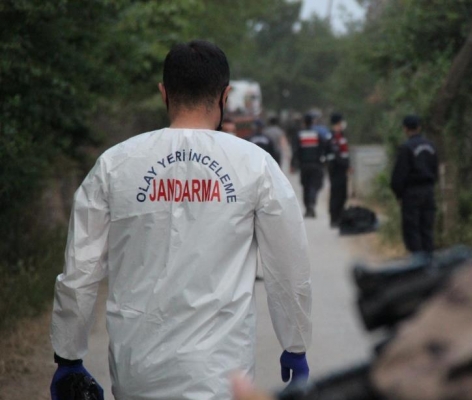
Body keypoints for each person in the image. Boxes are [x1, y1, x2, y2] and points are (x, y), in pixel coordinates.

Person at [50, 40, 312, 400]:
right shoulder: (255, 165)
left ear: (164, 93)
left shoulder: (115, 164)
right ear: (225, 95)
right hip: (222, 371)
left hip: (135, 369)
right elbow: (288, 265)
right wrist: (295, 344)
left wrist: (68, 356)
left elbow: (80, 270)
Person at [390, 115, 439, 258]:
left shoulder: (406, 148)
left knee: (412, 229)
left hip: (411, 193)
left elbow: (399, 175)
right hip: (428, 192)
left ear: (405, 129)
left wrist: (399, 194)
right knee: (427, 228)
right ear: (419, 127)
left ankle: (417, 262)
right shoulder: (431, 146)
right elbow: (435, 170)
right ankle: (430, 261)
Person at [291, 113, 329, 218]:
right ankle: (312, 205)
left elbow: (295, 150)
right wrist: (324, 161)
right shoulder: (317, 135)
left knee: (306, 186)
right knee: (314, 186)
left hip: (304, 165)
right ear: (312, 122)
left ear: (304, 122)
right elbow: (324, 148)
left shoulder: (299, 135)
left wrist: (293, 164)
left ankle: (308, 208)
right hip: (316, 164)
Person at [326, 113, 350, 228]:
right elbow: (336, 155)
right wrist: (345, 165)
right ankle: (334, 218)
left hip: (342, 169)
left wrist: (348, 165)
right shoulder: (332, 137)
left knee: (343, 194)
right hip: (336, 169)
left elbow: (344, 153)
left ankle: (340, 216)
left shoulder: (341, 136)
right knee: (336, 194)